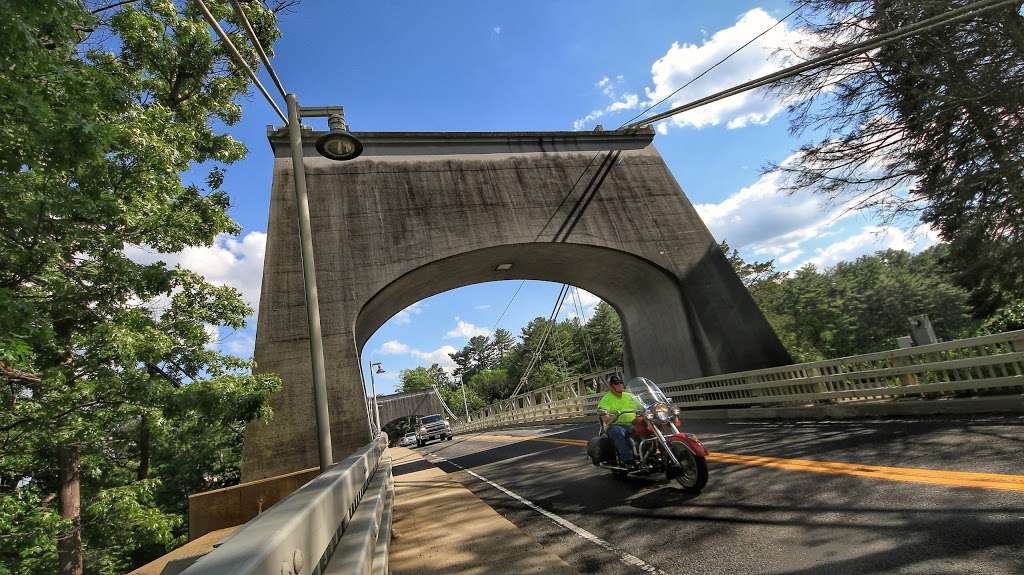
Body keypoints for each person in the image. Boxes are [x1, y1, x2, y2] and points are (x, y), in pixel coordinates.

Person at [597, 374, 643, 468]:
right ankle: (628, 460)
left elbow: (643, 407)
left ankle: (656, 452)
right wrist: (610, 417)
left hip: (632, 423)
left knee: (648, 426)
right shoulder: (606, 399)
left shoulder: (630, 396)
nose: (619, 385)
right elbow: (605, 417)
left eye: (620, 382)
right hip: (615, 425)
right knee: (618, 432)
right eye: (616, 383)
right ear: (611, 386)